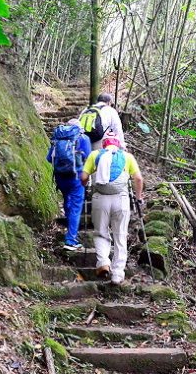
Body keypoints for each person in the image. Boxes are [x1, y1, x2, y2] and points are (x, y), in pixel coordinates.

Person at [80, 132, 144, 284]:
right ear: (118, 144)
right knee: (120, 236)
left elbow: (83, 177)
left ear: (104, 144)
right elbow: (139, 178)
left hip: (100, 199)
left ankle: (103, 262)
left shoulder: (95, 155)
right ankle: (117, 274)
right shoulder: (127, 157)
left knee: (101, 233)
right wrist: (139, 197)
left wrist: (86, 187)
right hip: (121, 200)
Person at [47, 118, 91, 251]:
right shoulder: (83, 138)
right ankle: (71, 240)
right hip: (76, 177)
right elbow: (89, 158)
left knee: (67, 200)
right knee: (76, 208)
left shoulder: (58, 139)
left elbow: (49, 158)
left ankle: (68, 224)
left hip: (60, 177)